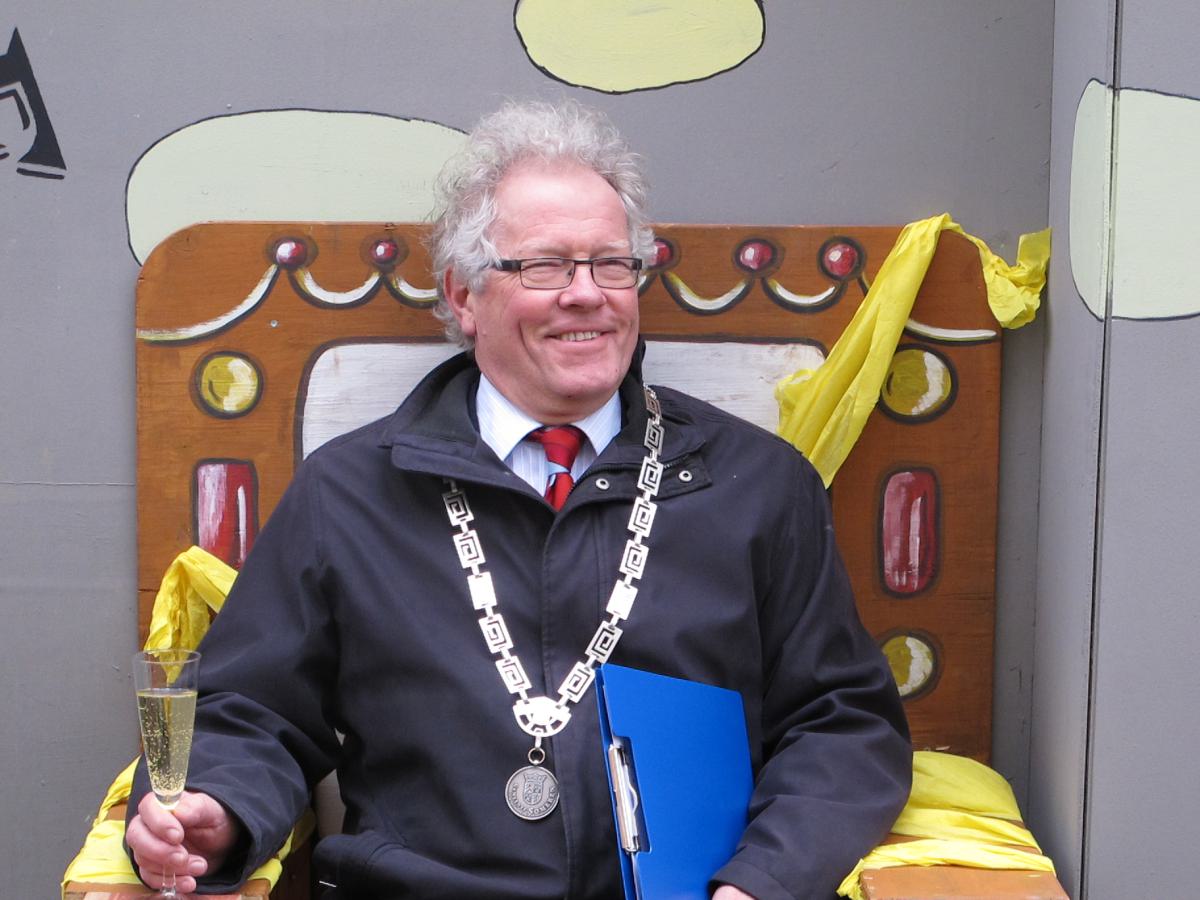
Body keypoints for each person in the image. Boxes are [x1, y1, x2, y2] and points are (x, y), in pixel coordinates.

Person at [125, 99, 911, 900]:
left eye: (611, 264)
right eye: (545, 266)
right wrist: (217, 806)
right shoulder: (346, 494)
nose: (587, 293)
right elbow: (253, 711)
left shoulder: (759, 485)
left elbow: (841, 726)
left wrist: (762, 883)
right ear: (464, 295)